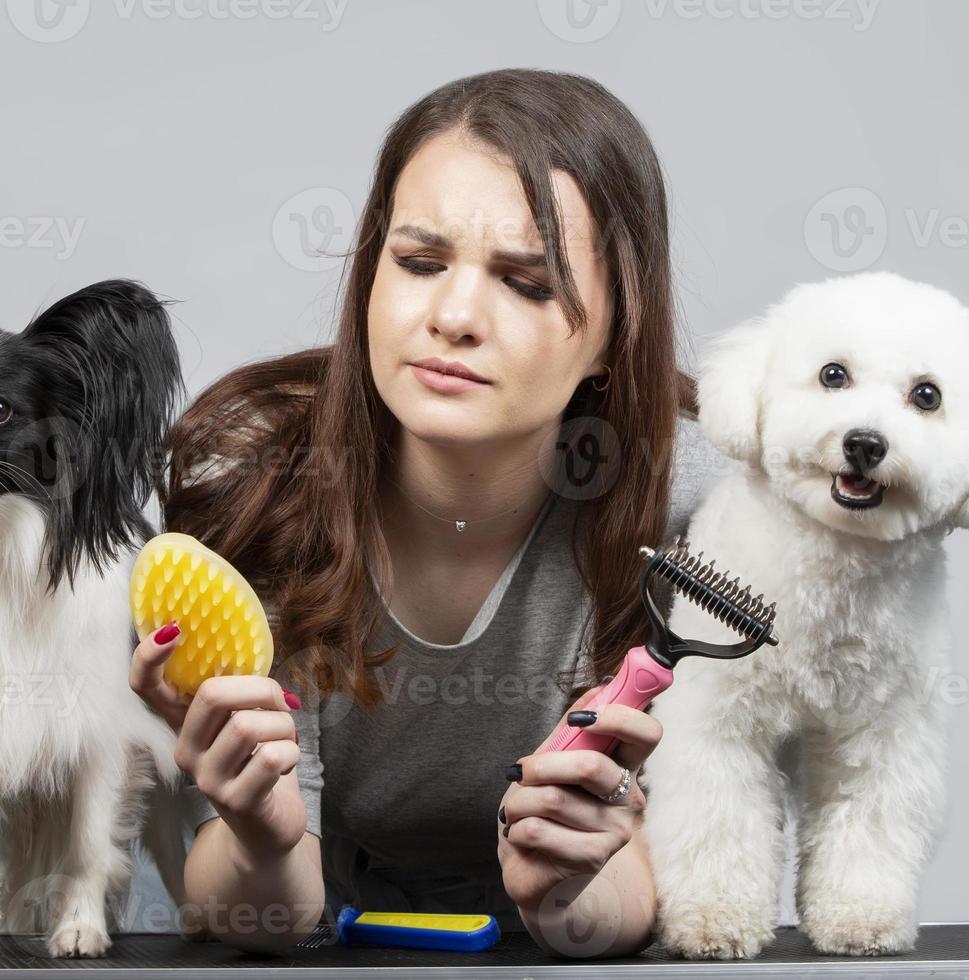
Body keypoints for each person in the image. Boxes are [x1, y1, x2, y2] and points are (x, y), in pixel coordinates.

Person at [128, 67, 720, 958]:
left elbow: (645, 879)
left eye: (526, 281)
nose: (453, 316)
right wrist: (260, 828)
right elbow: (256, 911)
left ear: (615, 331)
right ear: (370, 276)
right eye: (418, 263)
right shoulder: (256, 477)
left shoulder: (696, 505)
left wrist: (566, 889)